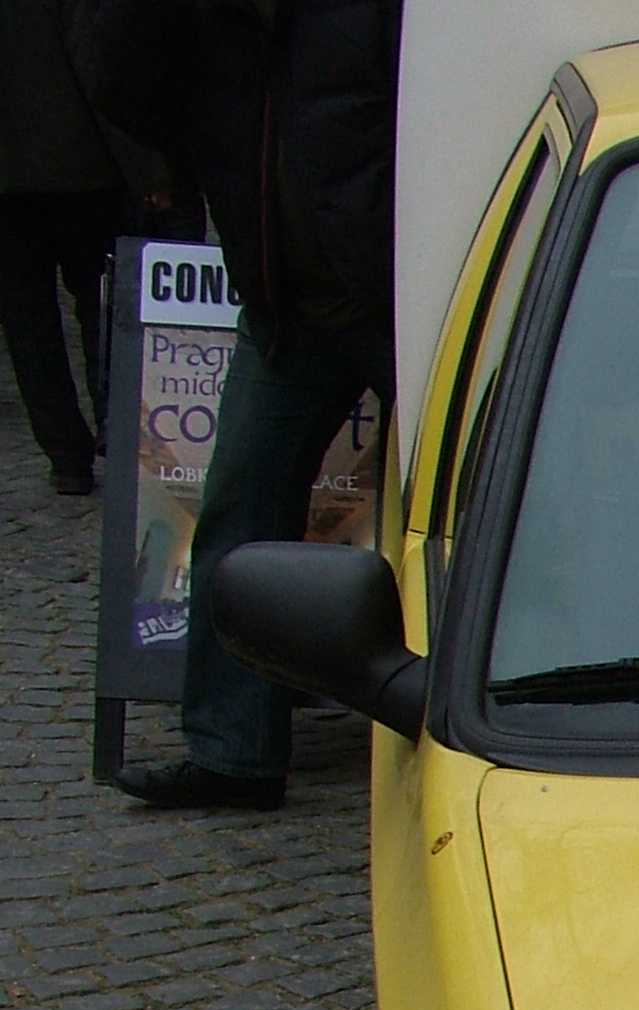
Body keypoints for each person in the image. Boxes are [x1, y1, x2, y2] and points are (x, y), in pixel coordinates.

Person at [73, 0, 399, 811]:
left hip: (401, 284)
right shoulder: (208, 21)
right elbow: (122, 86)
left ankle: (518, 706)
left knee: (479, 498)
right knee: (237, 506)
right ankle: (234, 750)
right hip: (286, 297)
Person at [0, 0, 134, 497]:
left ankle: (66, 454)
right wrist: (147, 170)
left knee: (28, 324)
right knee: (101, 306)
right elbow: (99, 65)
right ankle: (114, 426)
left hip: (20, 178)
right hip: (84, 169)